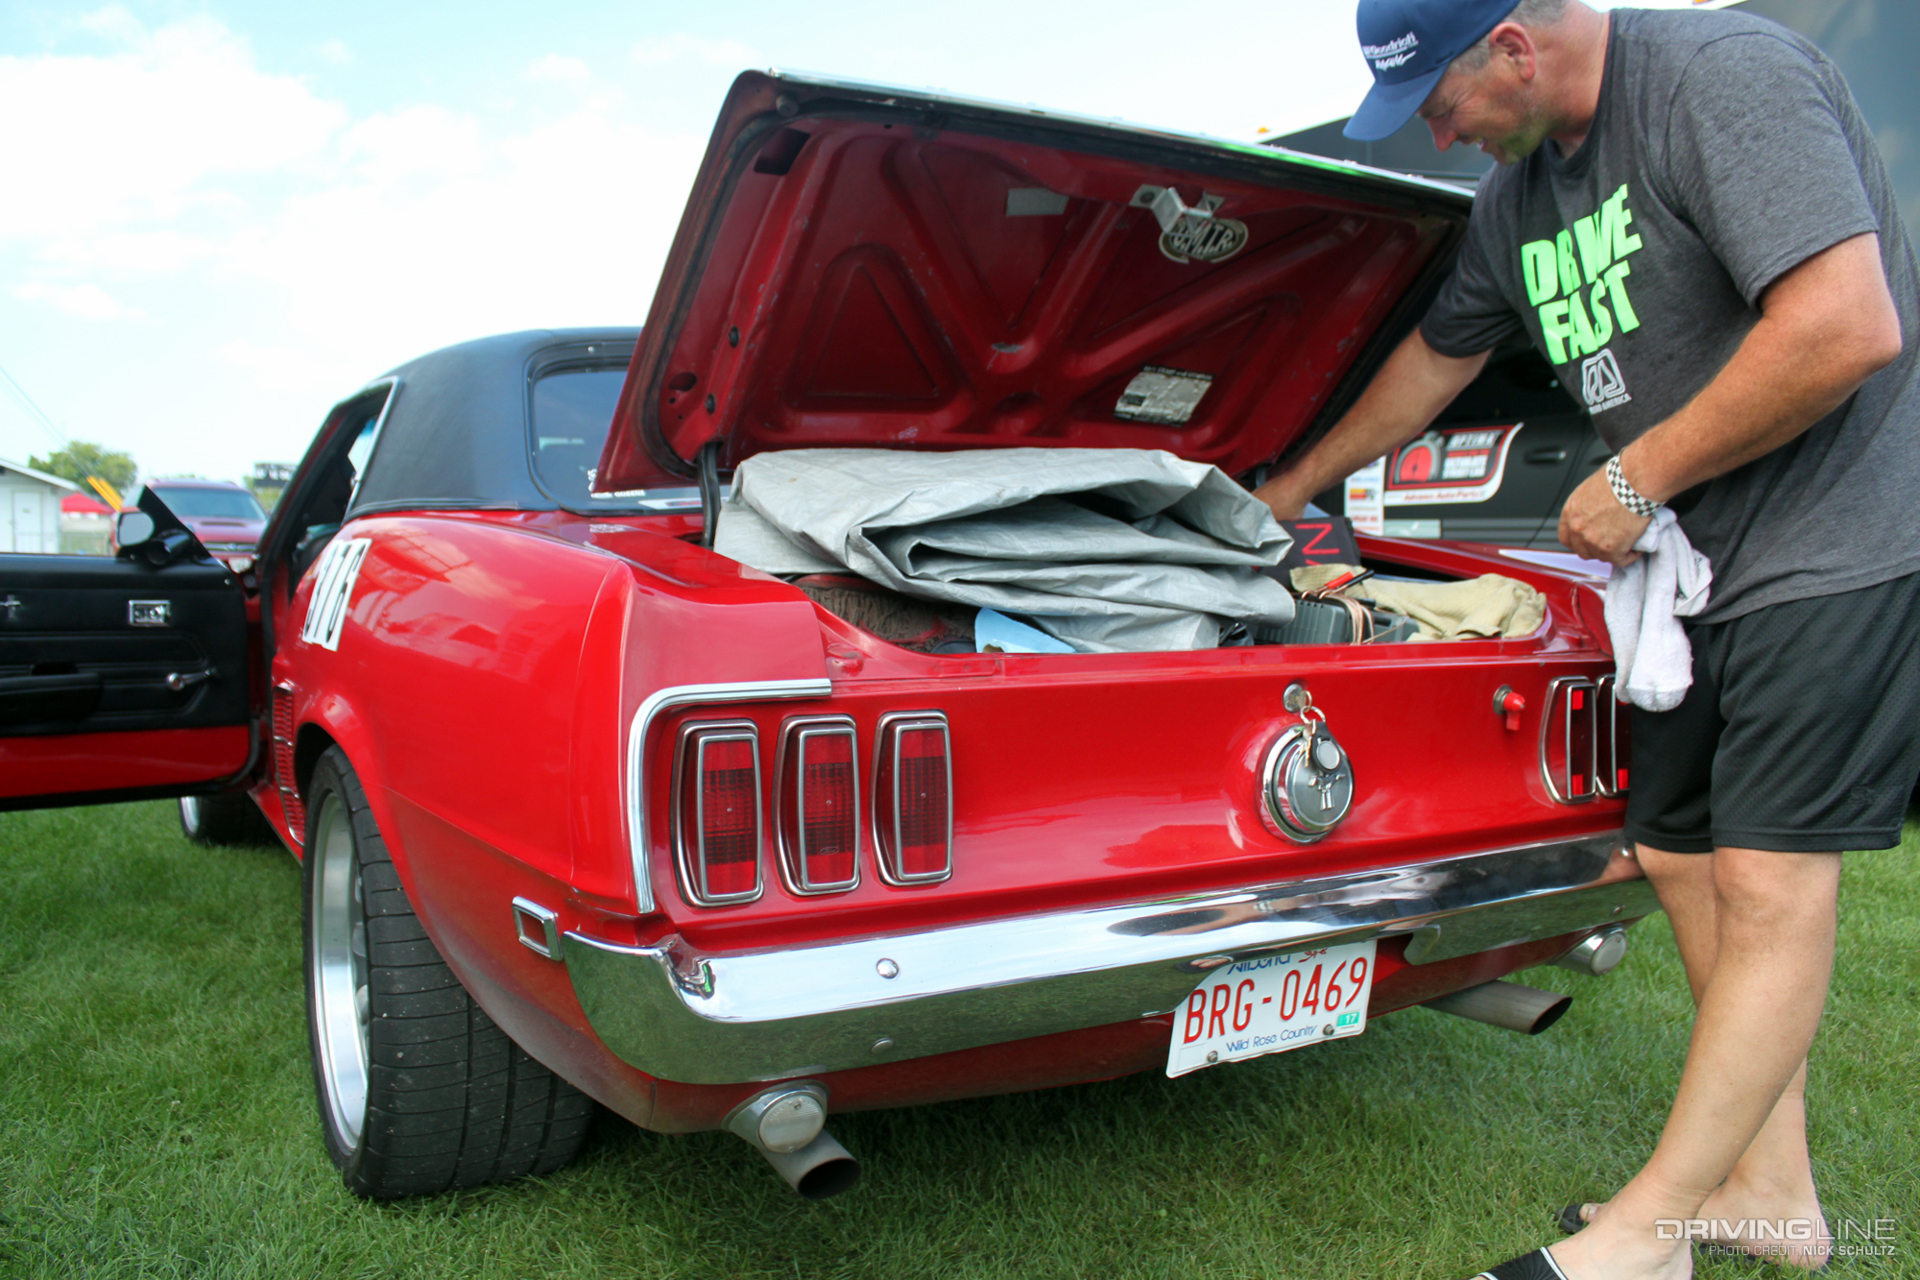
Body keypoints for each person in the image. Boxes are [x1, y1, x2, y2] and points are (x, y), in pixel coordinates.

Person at [1253, 1, 1920, 1277]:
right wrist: (1294, 487)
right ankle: (1774, 1192)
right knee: (1676, 855)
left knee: (1772, 880)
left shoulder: (1718, 82)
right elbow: (1436, 361)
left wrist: (1638, 477)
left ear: (1512, 43)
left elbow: (1847, 323)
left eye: (1440, 102)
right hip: (1693, 565)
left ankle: (1653, 1231)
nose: (1438, 133)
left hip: (1835, 529)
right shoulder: (1516, 205)